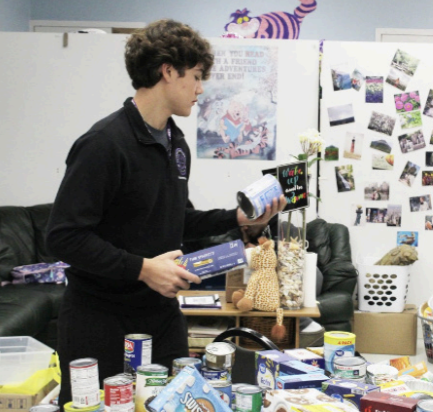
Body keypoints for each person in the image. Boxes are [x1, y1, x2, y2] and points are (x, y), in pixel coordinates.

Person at [46, 19, 285, 410]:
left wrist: (238, 220)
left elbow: (177, 220)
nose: (201, 88)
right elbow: (63, 236)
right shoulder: (104, 144)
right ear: (167, 70)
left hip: (160, 315)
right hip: (100, 318)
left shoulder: (176, 144)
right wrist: (142, 268)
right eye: (194, 76)